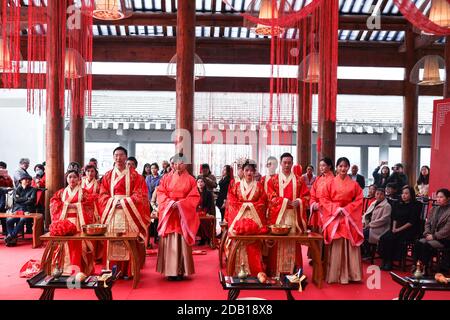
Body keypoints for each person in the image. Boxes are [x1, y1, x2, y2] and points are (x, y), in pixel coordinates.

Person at [98, 147, 150, 278]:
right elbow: (102, 194)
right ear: (113, 157)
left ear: (126, 157)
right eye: (116, 155)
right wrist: (113, 202)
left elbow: (141, 194)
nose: (118, 158)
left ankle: (129, 270)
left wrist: (126, 202)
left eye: (121, 155)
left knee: (129, 240)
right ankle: (112, 270)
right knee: (112, 239)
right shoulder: (108, 176)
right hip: (112, 212)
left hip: (129, 213)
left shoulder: (135, 176)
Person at [156, 153, 200, 280]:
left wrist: (181, 204)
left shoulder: (191, 179)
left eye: (180, 163)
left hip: (182, 213)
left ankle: (181, 270)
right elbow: (160, 192)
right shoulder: (165, 178)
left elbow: (194, 196)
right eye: (175, 163)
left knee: (181, 239)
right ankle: (169, 271)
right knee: (170, 239)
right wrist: (169, 203)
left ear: (185, 164)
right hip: (170, 212)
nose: (177, 165)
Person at [321, 157, 364, 284]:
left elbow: (359, 199)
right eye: (340, 166)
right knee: (336, 243)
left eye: (345, 166)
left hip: (348, 216)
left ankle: (353, 275)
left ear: (348, 167)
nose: (343, 168)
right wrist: (335, 209)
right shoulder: (330, 183)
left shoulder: (355, 184)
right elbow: (323, 198)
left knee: (350, 242)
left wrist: (347, 209)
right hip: (334, 217)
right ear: (336, 168)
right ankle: (334, 274)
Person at [266, 153, 310, 276]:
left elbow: (306, 196)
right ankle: (275, 271)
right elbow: (270, 197)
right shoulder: (273, 180)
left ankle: (294, 271)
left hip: (293, 216)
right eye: (284, 162)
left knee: (293, 242)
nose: (286, 165)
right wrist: (285, 201)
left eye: (289, 162)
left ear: (292, 163)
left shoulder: (299, 179)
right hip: (278, 216)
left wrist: (300, 201)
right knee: (277, 242)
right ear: (280, 163)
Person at [225, 160, 267, 276]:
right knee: (238, 244)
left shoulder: (259, 186)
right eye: (246, 170)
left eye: (251, 171)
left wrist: (251, 206)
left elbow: (263, 201)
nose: (249, 173)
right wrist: (245, 206)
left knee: (253, 245)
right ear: (242, 172)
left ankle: (255, 271)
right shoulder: (236, 185)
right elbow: (231, 200)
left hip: (254, 220)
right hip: (239, 220)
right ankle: (238, 270)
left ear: (254, 172)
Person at [49, 170, 95, 274]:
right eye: (70, 177)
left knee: (79, 246)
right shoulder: (61, 192)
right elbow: (53, 203)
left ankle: (79, 271)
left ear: (79, 179)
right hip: (64, 222)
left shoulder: (84, 192)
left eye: (74, 177)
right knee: (64, 246)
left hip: (79, 222)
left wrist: (77, 206)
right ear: (66, 179)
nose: (72, 179)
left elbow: (90, 204)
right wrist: (65, 206)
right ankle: (64, 270)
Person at [378, 186, 422, 271]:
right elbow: (394, 217)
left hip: (409, 229)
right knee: (384, 238)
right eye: (403, 193)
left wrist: (398, 230)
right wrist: (394, 228)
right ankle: (385, 260)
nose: (403, 195)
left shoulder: (416, 205)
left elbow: (411, 222)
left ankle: (390, 262)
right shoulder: (398, 203)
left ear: (411, 194)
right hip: (396, 227)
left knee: (392, 239)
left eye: (406, 193)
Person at [413, 188, 450, 274]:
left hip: (444, 239)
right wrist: (427, 233)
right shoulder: (434, 209)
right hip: (431, 236)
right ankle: (417, 266)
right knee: (418, 242)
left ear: (448, 198)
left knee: (426, 245)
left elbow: (447, 229)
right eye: (437, 197)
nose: (438, 199)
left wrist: (434, 236)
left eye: (441, 197)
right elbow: (427, 223)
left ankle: (426, 268)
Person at [4, 173, 36, 247]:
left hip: (27, 210)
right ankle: (12, 239)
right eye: (25, 179)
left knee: (22, 220)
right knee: (9, 221)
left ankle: (10, 237)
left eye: (29, 179)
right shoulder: (16, 189)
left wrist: (21, 200)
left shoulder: (33, 189)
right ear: (21, 181)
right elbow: (16, 199)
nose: (28, 181)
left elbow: (32, 200)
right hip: (17, 210)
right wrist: (26, 198)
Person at [361, 188, 391, 257]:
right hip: (370, 226)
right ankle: (364, 252)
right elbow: (366, 214)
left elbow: (383, 220)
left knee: (362, 234)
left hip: (380, 229)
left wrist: (370, 225)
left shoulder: (387, 206)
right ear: (375, 195)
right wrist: (364, 222)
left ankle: (367, 253)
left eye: (381, 194)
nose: (379, 196)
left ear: (384, 196)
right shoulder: (374, 203)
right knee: (358, 233)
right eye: (377, 194)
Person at [81, 165, 102, 262]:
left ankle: (95, 255)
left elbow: (101, 196)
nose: (90, 173)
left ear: (95, 172)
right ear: (85, 172)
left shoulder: (98, 183)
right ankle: (84, 253)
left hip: (94, 209)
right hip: (82, 209)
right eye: (88, 171)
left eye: (92, 171)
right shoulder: (80, 182)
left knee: (95, 231)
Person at [309, 157, 335, 232]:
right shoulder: (318, 179)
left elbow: (334, 197)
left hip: (326, 210)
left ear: (329, 166)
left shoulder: (333, 180)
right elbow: (312, 193)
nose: (321, 168)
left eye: (323, 165)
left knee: (325, 233)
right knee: (315, 233)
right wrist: (313, 203)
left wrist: (321, 205)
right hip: (316, 209)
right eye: (320, 166)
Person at [196, 176, 216, 246]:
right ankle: (200, 238)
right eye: (198, 182)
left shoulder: (208, 193)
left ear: (204, 183)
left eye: (201, 182)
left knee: (204, 220)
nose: (200, 183)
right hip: (197, 212)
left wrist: (207, 213)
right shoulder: (194, 193)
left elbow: (210, 205)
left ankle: (206, 238)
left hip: (206, 211)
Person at [145, 163, 161, 246]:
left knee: (156, 221)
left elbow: (158, 189)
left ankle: (156, 237)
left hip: (156, 203)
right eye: (151, 168)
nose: (153, 170)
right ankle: (148, 239)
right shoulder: (147, 178)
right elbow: (146, 188)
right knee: (149, 220)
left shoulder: (160, 178)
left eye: (155, 168)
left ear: (158, 169)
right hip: (148, 201)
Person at [0, 161, 14, 235]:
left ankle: (5, 230)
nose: (1, 169)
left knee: (4, 215)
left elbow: (11, 186)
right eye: (0, 168)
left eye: (3, 168)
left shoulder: (7, 177)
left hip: (6, 197)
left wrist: (6, 178)